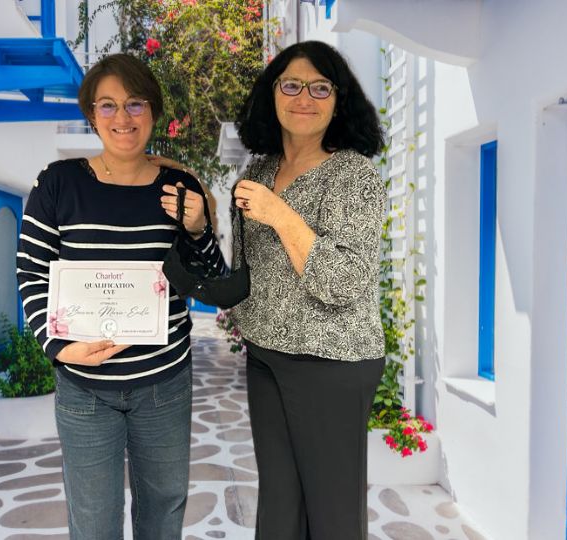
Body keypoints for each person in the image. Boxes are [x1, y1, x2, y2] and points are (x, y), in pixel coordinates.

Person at [16, 53, 225, 540]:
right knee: (93, 525)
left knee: (162, 515)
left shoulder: (181, 188)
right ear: (91, 114)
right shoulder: (57, 185)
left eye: (134, 104)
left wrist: (197, 229)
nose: (121, 118)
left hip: (164, 385)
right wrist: (59, 347)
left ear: (151, 111)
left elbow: (211, 280)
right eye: (107, 106)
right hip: (85, 388)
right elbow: (30, 272)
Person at [230, 40, 387, 539]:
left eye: (321, 87)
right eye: (292, 84)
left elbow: (342, 281)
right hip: (266, 353)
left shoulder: (355, 174)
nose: (305, 97)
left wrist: (280, 215)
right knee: (279, 502)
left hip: (331, 362)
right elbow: (245, 269)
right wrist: (196, 227)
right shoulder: (258, 170)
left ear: (339, 100)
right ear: (272, 93)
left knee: (332, 511)